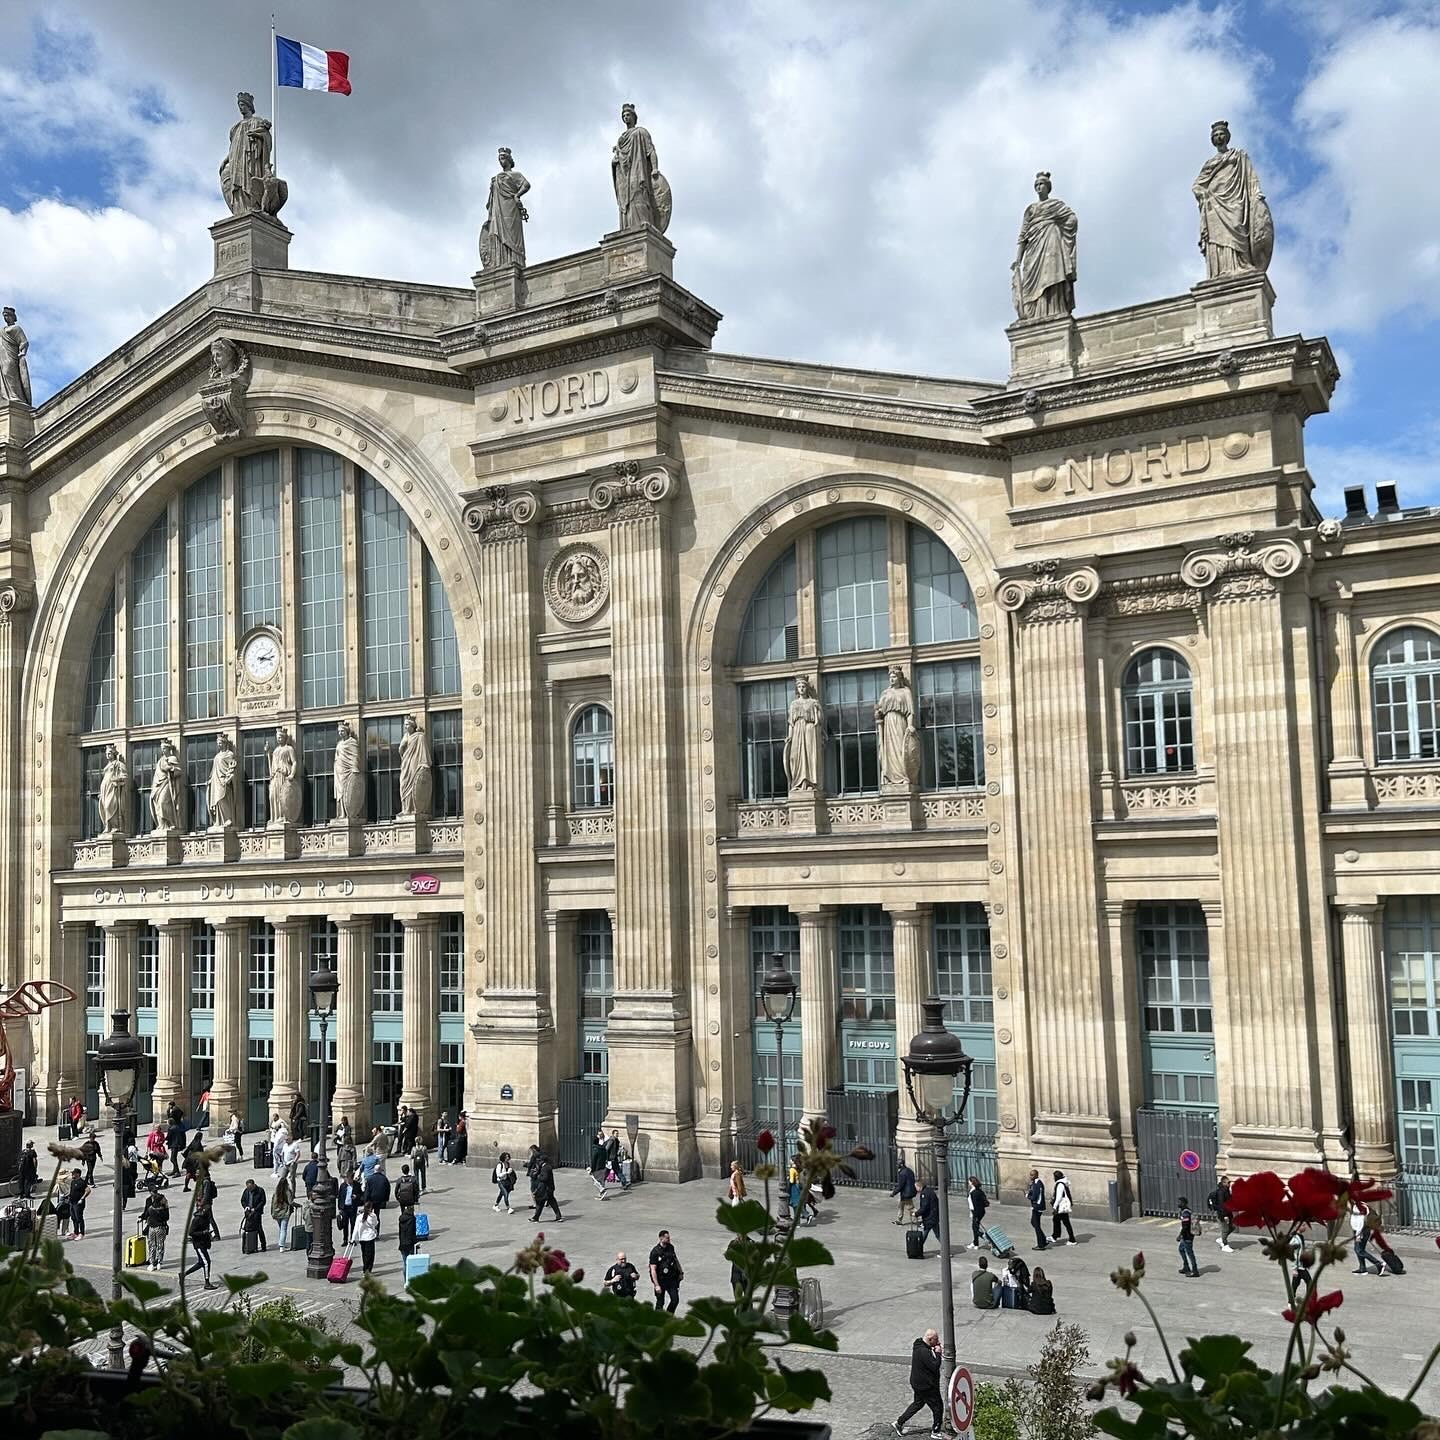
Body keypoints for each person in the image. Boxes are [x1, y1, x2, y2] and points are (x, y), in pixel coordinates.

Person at [893, 1328, 943, 1437]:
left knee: (918, 1403)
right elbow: (935, 1366)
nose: (938, 1342)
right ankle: (936, 1431)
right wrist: (938, 1353)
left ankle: (899, 1423)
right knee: (938, 1407)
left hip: (917, 1383)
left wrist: (933, 1349)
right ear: (930, 1339)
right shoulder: (924, 1352)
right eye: (936, 1339)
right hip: (926, 1386)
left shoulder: (918, 1344)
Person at [184, 1201, 217, 1289]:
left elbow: (207, 1228)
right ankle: (207, 1282)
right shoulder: (196, 1219)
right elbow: (191, 1232)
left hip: (204, 1243)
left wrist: (209, 1234)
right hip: (198, 1244)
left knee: (200, 1263)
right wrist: (203, 1233)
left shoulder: (206, 1217)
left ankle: (183, 1275)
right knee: (206, 1262)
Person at [649, 1229, 684, 1313]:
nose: (669, 1239)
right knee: (660, 1302)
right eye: (667, 1238)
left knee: (675, 1300)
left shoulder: (671, 1247)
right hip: (661, 1280)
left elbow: (675, 1260)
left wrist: (680, 1272)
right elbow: (653, 1269)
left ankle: (668, 1316)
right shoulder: (655, 1252)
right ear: (661, 1238)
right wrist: (656, 1285)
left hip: (671, 1279)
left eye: (669, 1238)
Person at [140, 1187, 169, 1272]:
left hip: (151, 1228)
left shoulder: (150, 1209)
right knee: (160, 1245)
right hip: (161, 1228)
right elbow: (167, 1217)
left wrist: (143, 1217)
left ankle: (152, 1263)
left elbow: (146, 1215)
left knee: (152, 1245)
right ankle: (159, 1262)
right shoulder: (163, 1209)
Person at [1351, 1201, 1383, 1276]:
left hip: (1361, 1231)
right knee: (1360, 1249)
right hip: (1362, 1231)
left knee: (1358, 1250)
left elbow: (1360, 1222)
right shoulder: (1360, 1205)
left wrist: (1358, 1235)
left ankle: (1378, 1263)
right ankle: (1362, 1268)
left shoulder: (1359, 1207)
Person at [530, 1150, 562, 1222]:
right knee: (548, 1203)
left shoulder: (546, 1168)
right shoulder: (545, 1167)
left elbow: (544, 1178)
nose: (538, 1162)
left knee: (541, 1203)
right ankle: (558, 1216)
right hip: (547, 1189)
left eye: (539, 1160)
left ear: (543, 1161)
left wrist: (538, 1175)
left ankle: (536, 1218)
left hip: (546, 1189)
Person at [1208, 1174, 1235, 1252]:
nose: (1229, 1183)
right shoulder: (1221, 1192)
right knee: (1225, 1229)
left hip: (1228, 1213)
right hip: (1222, 1214)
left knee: (1232, 1227)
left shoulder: (1226, 1191)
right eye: (1228, 1182)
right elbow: (1221, 1205)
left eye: (1229, 1182)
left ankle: (1222, 1239)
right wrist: (1224, 1215)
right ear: (1223, 1183)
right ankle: (1224, 1245)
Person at [240, 1178, 268, 1252]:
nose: (249, 1189)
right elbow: (243, 1200)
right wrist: (246, 1206)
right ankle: (248, 1246)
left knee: (259, 1229)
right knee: (247, 1228)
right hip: (248, 1212)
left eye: (250, 1187)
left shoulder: (260, 1190)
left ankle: (263, 1245)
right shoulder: (246, 1191)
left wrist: (255, 1209)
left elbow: (263, 1201)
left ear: (254, 1185)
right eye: (248, 1188)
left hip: (257, 1213)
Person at [64, 1166, 91, 1240]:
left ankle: (81, 1233)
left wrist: (82, 1198)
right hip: (72, 1202)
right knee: (73, 1218)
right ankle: (75, 1232)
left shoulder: (81, 1182)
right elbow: (72, 1191)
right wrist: (68, 1197)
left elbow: (88, 1190)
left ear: (78, 1174)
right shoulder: (73, 1182)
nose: (72, 1175)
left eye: (74, 1173)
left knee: (79, 1218)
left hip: (78, 1203)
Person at [1050, 1169, 1076, 1245]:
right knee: (1057, 1220)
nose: (1053, 1178)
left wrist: (1055, 1207)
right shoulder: (1063, 1183)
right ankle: (1055, 1236)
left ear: (1057, 1177)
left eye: (1054, 1177)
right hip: (1062, 1207)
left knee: (1064, 1222)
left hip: (1061, 1207)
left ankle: (1072, 1240)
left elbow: (1059, 1197)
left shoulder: (1060, 1184)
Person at [890, 1157, 918, 1226]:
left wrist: (893, 1193)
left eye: (898, 1164)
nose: (897, 1166)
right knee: (901, 1206)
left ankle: (920, 1218)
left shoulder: (902, 1173)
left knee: (910, 1208)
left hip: (906, 1193)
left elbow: (900, 1186)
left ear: (901, 1165)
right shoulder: (909, 1170)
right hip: (910, 1191)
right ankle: (899, 1220)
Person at [1026, 1168, 1049, 1250]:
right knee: (1034, 1223)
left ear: (1036, 1175)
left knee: (1036, 1225)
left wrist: (1027, 1196)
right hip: (1038, 1206)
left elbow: (1034, 1197)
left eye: (1032, 1175)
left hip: (1037, 1207)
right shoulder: (1035, 1183)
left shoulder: (1037, 1184)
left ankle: (1041, 1245)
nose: (1030, 1176)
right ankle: (1043, 1239)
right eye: (1030, 1174)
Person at [1177, 1195, 1199, 1278]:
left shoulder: (1186, 1212)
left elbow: (1185, 1226)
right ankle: (1186, 1267)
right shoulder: (1183, 1211)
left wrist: (1180, 1235)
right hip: (1185, 1235)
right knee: (1181, 1249)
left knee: (1190, 1253)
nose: (1178, 1203)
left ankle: (1195, 1270)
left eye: (1179, 1202)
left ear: (1183, 1203)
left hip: (1187, 1236)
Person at [337, 1171, 361, 1245]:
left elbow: (361, 1194)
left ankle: (352, 1239)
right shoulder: (343, 1186)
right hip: (344, 1208)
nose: (350, 1181)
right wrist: (340, 1208)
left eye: (351, 1179)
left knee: (353, 1223)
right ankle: (345, 1239)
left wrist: (356, 1196)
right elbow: (340, 1197)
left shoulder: (356, 1185)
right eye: (349, 1179)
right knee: (345, 1224)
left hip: (352, 1207)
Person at [356, 1201, 380, 1275]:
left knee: (364, 1254)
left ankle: (365, 1269)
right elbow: (376, 1223)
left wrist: (353, 1239)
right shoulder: (372, 1216)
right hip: (369, 1237)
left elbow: (356, 1228)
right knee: (370, 1255)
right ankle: (368, 1270)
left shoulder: (359, 1216)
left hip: (362, 1238)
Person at [915, 1180, 939, 1253]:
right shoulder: (930, 1191)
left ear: (919, 1187)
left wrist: (916, 1213)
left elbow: (925, 1207)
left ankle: (917, 1249)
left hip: (929, 1217)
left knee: (925, 1234)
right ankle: (946, 1250)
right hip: (934, 1216)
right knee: (938, 1234)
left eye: (916, 1187)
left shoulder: (924, 1194)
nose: (916, 1189)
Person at [272, 1172, 294, 1249]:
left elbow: (273, 1203)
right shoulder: (288, 1192)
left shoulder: (276, 1192)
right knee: (283, 1229)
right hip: (285, 1212)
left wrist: (273, 1212)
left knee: (281, 1228)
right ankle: (281, 1245)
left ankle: (281, 1243)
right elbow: (290, 1202)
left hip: (277, 1212)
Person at [966, 1175, 989, 1248]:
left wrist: (974, 1215)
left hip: (976, 1212)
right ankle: (975, 1243)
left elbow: (974, 1205)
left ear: (971, 1182)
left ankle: (984, 1236)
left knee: (975, 1228)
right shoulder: (979, 1190)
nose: (968, 1183)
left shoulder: (973, 1193)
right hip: (981, 1212)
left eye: (969, 1181)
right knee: (975, 1227)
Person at [590, 1130, 613, 1200]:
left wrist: (592, 1168)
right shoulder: (603, 1148)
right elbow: (606, 1156)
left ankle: (602, 1190)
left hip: (597, 1167)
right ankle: (601, 1194)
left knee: (595, 1181)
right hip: (603, 1166)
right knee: (602, 1180)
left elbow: (594, 1160)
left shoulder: (595, 1149)